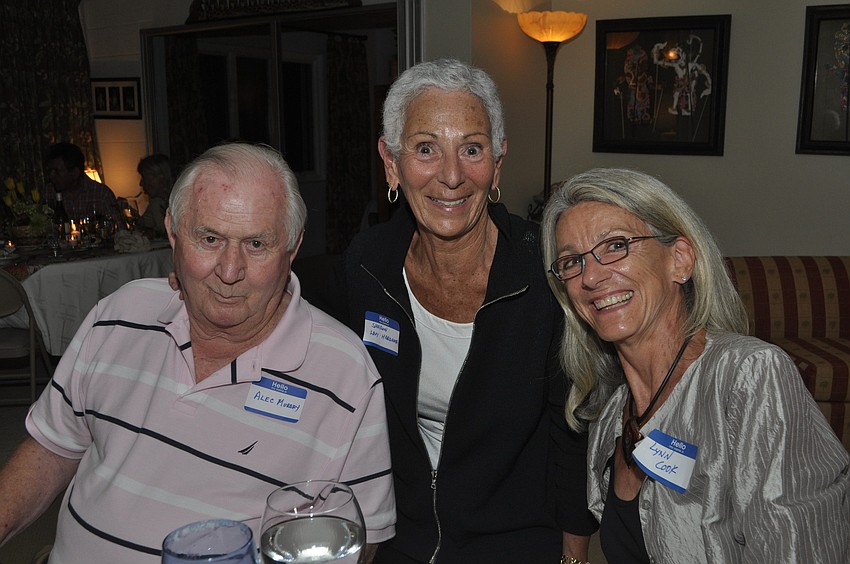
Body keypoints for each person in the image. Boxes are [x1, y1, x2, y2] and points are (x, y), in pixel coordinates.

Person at [0, 143, 395, 563]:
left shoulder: (344, 372)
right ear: (172, 232)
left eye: (256, 244)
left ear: (292, 247)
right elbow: (49, 452)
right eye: (209, 239)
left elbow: (361, 537)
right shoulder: (118, 314)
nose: (229, 271)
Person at [308, 58, 597, 563]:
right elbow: (308, 345)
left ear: (498, 162)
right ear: (391, 162)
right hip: (400, 534)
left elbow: (571, 433)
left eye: (472, 149)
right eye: (426, 148)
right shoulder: (368, 264)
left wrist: (573, 557)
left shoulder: (544, 273)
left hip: (516, 541)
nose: (451, 176)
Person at [540, 168, 850, 562]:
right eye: (572, 262)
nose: (591, 276)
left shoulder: (749, 378)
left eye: (616, 245)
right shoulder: (609, 421)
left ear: (680, 259)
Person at [43, 142, 123, 227]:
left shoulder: (100, 194)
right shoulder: (48, 193)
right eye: (50, 171)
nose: (51, 175)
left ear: (75, 173)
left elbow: (119, 229)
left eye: (57, 171)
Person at [134, 153, 173, 237]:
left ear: (161, 177)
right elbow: (142, 225)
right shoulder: (156, 202)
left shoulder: (183, 201)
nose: (141, 183)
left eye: (144, 177)